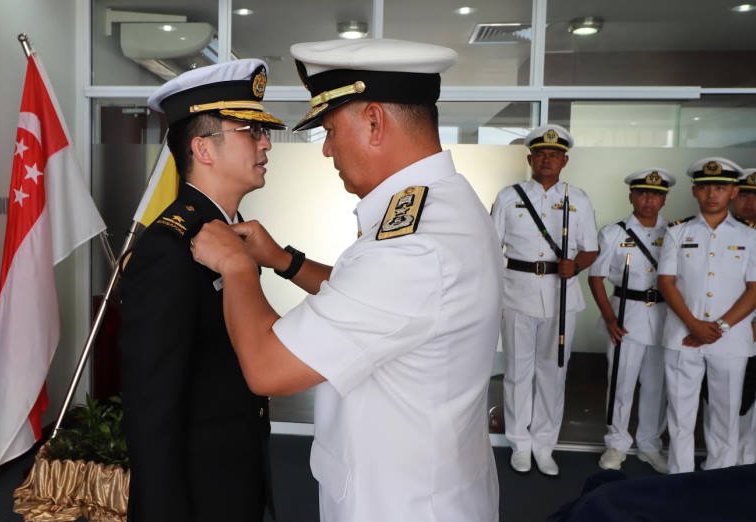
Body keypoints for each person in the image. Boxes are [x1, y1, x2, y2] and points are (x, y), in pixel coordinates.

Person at [191, 38, 501, 522]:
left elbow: (268, 368)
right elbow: (378, 305)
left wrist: (236, 267)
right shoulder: (441, 207)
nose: (328, 150)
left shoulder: (415, 244)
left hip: (400, 504)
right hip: (421, 484)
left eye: (331, 130)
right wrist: (283, 261)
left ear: (374, 122)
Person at [118, 59, 285, 522]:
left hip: (234, 469)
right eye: (250, 131)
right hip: (195, 489)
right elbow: (151, 403)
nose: (266, 142)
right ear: (203, 150)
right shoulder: (169, 247)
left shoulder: (232, 234)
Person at [490, 124, 599, 475]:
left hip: (561, 295)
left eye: (554, 154)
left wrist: (576, 265)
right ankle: (519, 444)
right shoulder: (510, 196)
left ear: (564, 160)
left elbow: (591, 249)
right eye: (541, 153)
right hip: (517, 290)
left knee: (553, 373)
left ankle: (544, 444)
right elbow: (493, 247)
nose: (547, 159)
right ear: (530, 158)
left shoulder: (578, 199)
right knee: (518, 373)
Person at [657, 156, 756, 474]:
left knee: (726, 416)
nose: (712, 194)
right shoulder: (677, 231)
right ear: (695, 192)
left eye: (720, 187)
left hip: (730, 340)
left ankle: (719, 478)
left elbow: (754, 288)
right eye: (705, 188)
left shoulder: (750, 236)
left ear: (734, 193)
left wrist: (721, 326)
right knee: (680, 415)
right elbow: (666, 282)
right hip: (683, 336)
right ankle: (679, 478)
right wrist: (694, 325)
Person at [588, 169, 675, 474]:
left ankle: (650, 444)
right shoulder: (614, 233)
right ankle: (617, 443)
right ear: (631, 196)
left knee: (657, 386)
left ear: (664, 199)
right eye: (642, 193)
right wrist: (609, 317)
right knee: (621, 384)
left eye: (655, 194)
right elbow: (596, 276)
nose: (649, 200)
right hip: (626, 315)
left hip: (665, 318)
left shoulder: (676, 233)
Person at [734, 168, 756, 465]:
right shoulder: (715, 232)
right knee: (725, 399)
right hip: (725, 329)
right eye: (745, 195)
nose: (750, 202)